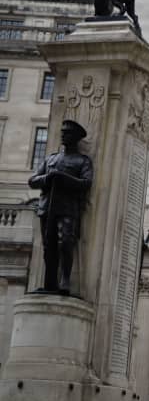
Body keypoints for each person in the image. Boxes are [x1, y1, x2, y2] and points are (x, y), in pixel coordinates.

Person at [27, 119, 93, 295]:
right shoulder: (51, 158)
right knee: (48, 245)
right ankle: (49, 283)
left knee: (66, 242)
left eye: (67, 133)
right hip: (47, 208)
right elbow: (32, 181)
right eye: (62, 132)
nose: (63, 135)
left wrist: (64, 178)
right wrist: (48, 178)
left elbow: (86, 183)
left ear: (76, 137)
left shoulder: (82, 161)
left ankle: (65, 280)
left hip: (67, 208)